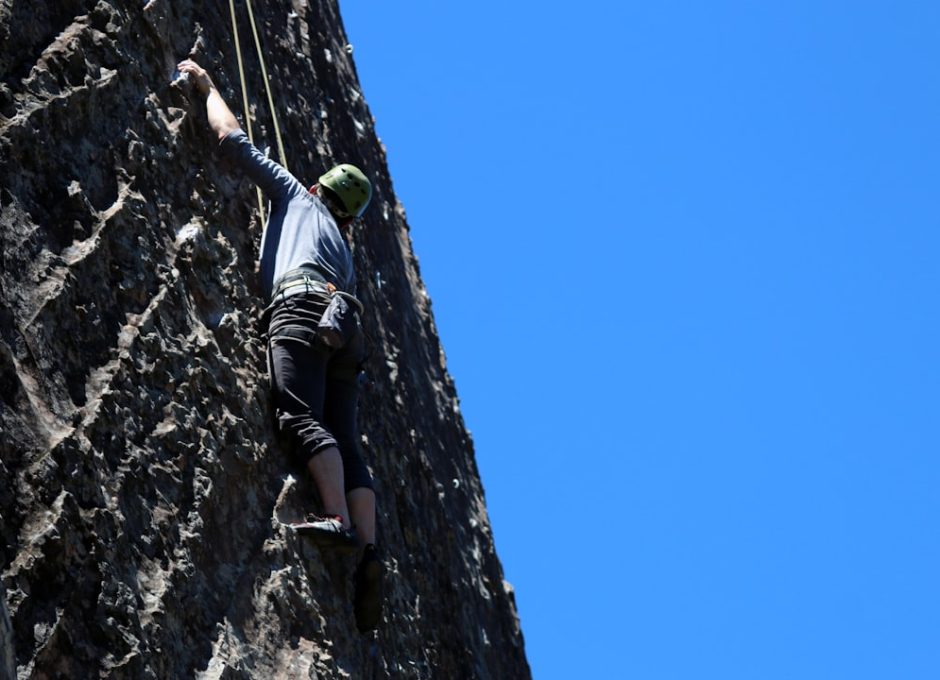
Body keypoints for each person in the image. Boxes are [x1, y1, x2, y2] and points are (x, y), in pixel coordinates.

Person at [176, 59, 383, 633]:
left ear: (321, 188)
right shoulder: (345, 249)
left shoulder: (297, 196)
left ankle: (337, 519)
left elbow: (231, 141)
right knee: (348, 437)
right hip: (347, 328)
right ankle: (370, 547)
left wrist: (207, 86)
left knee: (298, 413)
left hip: (302, 309)